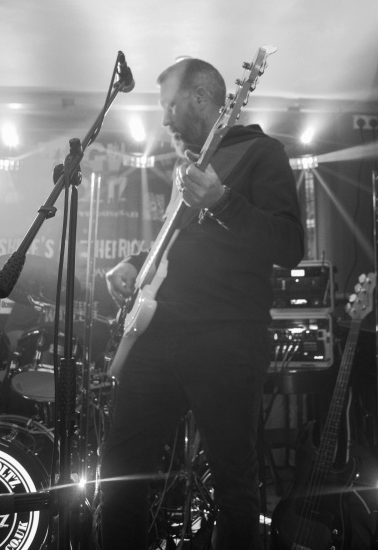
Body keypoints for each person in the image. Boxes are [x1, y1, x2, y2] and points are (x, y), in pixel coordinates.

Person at [100, 56, 304, 550]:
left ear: (200, 98)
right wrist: (134, 262)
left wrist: (222, 201)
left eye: (170, 105)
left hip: (226, 338)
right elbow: (178, 247)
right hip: (159, 333)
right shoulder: (186, 166)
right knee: (119, 472)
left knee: (234, 485)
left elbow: (289, 244)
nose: (164, 119)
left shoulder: (262, 152)